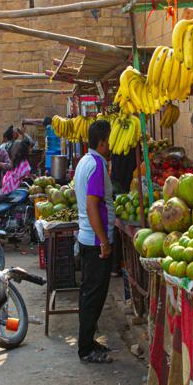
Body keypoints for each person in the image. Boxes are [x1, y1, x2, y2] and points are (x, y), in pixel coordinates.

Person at [74, 120, 115, 364]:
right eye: (110, 140)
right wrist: (104, 241)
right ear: (102, 143)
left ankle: (88, 341)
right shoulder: (97, 164)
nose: (112, 144)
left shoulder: (84, 161)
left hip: (87, 237)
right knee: (93, 296)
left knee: (89, 293)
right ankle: (86, 349)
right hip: (94, 241)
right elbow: (92, 206)